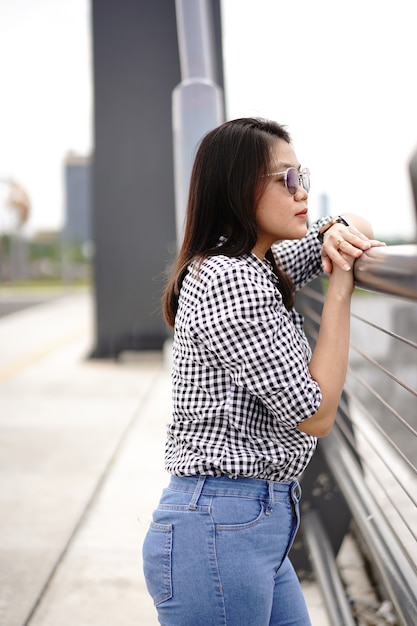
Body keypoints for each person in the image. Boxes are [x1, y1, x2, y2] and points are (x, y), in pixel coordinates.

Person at [142, 117, 384, 626]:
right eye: (286, 179)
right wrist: (339, 292)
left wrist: (335, 230)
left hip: (248, 524)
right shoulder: (232, 279)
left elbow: (361, 225)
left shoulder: (258, 263)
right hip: (221, 530)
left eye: (304, 177)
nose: (302, 192)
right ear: (237, 186)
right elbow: (314, 414)